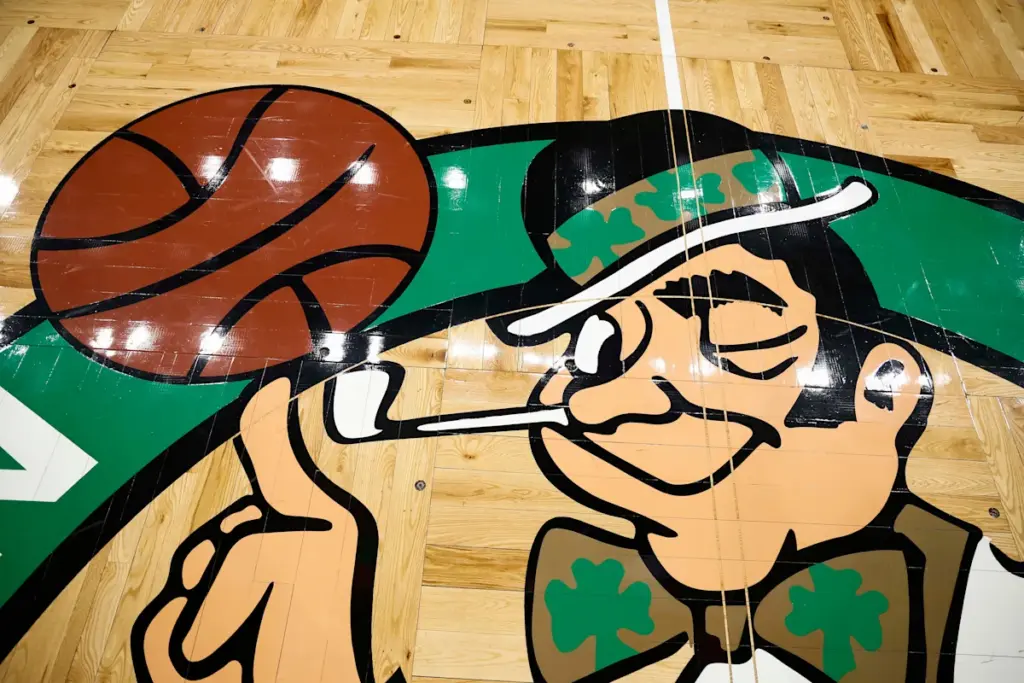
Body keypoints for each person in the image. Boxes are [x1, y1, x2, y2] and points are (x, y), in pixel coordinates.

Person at [129, 109, 1024, 683]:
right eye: (602, 348)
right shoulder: (559, 606)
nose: (642, 389)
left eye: (728, 317)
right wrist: (320, 641)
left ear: (883, 384)